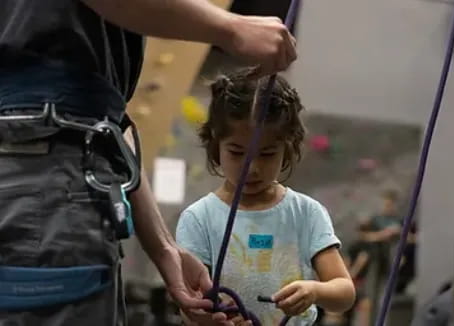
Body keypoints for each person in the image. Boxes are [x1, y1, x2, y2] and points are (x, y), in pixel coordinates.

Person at [0, 1, 297, 325]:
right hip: (44, 177)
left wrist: (165, 249)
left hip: (50, 169)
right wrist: (231, 28)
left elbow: (103, 128)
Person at [175, 70, 356, 326]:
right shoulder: (199, 218)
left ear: (288, 147)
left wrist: (314, 291)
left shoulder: (306, 213)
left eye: (268, 153)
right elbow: (189, 306)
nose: (252, 168)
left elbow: (344, 293)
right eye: (237, 153)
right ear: (216, 144)